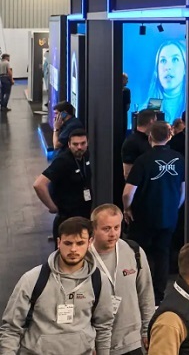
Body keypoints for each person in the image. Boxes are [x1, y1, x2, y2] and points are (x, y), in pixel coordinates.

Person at [0, 216, 115, 354]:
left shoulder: (98, 280)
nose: (73, 249)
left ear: (89, 242)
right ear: (59, 242)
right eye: (68, 243)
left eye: (80, 243)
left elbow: (104, 326)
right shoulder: (32, 279)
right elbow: (11, 328)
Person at [123, 120, 185, 303]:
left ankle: (139, 292)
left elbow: (128, 192)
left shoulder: (143, 160)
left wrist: (127, 208)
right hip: (169, 216)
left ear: (150, 137)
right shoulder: (179, 159)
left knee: (139, 254)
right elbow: (183, 190)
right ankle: (158, 295)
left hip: (144, 216)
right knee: (163, 254)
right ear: (169, 136)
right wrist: (175, 207)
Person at [90, 204, 154, 355]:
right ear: (94, 228)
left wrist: (147, 329)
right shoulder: (85, 259)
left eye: (116, 227)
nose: (113, 234)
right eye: (106, 229)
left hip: (133, 341)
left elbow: (146, 294)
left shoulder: (134, 251)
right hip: (100, 344)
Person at [34, 126, 93, 237]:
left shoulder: (85, 155)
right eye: (75, 144)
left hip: (83, 213)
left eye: (83, 143)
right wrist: (52, 207)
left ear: (87, 143)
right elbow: (39, 184)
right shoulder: (62, 161)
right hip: (67, 218)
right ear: (69, 144)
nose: (79, 147)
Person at [145, 40, 186, 130]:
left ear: (185, 68)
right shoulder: (154, 103)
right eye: (163, 60)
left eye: (175, 59)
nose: (168, 67)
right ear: (157, 70)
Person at [122, 110, 156, 181]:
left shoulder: (150, 139)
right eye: (156, 121)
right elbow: (127, 172)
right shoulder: (131, 142)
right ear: (151, 121)